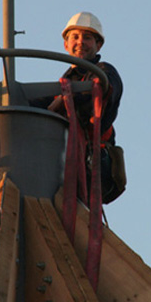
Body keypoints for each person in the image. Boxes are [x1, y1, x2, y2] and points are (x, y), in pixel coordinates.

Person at [34, 11, 125, 203]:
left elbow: (101, 90)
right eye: (74, 37)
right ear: (66, 44)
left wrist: (62, 103)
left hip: (92, 165)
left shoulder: (105, 72)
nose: (80, 42)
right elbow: (31, 105)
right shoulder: (61, 85)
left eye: (88, 37)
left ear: (98, 45)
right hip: (60, 166)